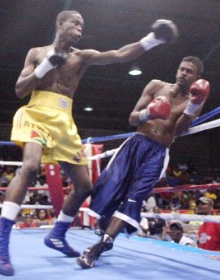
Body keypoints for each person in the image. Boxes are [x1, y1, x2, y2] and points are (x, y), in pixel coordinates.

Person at [0, 10, 179, 276]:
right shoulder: (36, 53)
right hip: (35, 114)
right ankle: (1, 240)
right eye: (75, 23)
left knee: (84, 185)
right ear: (60, 24)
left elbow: (120, 54)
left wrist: (153, 39)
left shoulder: (82, 57)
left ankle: (57, 234)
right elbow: (20, 89)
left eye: (82, 24)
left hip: (64, 121)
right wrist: (45, 66)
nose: (79, 28)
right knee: (30, 166)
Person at [77, 56, 210, 269]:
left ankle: (100, 246)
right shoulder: (156, 86)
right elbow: (131, 118)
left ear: (197, 78)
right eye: (182, 68)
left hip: (157, 153)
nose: (184, 73)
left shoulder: (194, 100)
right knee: (109, 189)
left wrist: (193, 106)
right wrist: (148, 113)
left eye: (189, 71)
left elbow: (178, 131)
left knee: (134, 198)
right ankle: (106, 230)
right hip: (135, 144)